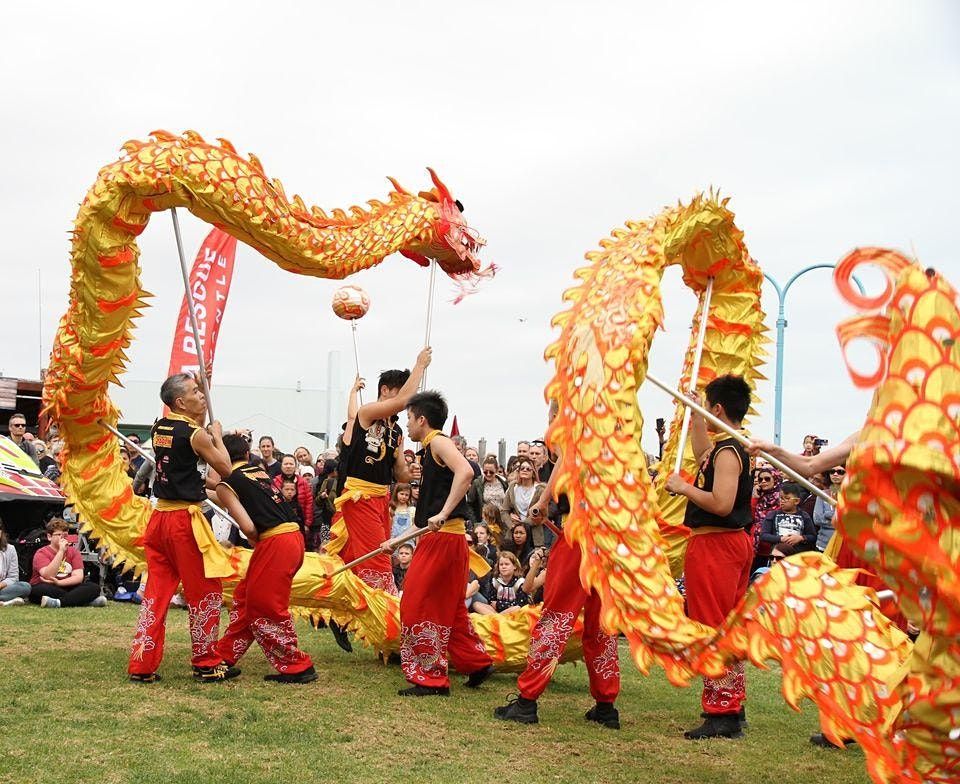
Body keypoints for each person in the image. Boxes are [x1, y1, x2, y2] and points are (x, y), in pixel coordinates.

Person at [495, 456, 621, 728]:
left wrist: (542, 501)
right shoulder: (614, 433)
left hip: (578, 535)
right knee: (601, 626)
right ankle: (606, 705)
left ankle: (527, 701)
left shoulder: (578, 426)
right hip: (608, 539)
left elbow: (567, 455)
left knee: (555, 621)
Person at [128, 373, 236, 684]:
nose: (201, 396)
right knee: (205, 591)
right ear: (179, 402)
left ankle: (142, 664)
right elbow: (225, 469)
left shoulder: (159, 426)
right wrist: (217, 435)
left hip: (158, 519)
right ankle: (206, 662)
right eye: (194, 392)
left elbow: (191, 419)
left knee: (156, 594)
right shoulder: (197, 434)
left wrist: (203, 387)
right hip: (183, 522)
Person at [664, 375, 754, 740]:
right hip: (725, 545)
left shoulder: (730, 452)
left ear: (719, 408)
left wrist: (684, 488)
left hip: (718, 546)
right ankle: (732, 702)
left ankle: (723, 712)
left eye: (708, 408)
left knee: (712, 626)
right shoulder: (725, 449)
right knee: (726, 625)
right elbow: (704, 456)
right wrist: (696, 416)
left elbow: (721, 503)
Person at [395, 390, 493, 696]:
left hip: (444, 539)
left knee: (415, 603)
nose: (407, 424)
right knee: (451, 607)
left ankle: (431, 677)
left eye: (409, 418)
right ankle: (476, 661)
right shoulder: (429, 449)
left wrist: (445, 512)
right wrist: (395, 540)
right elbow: (425, 517)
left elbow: (466, 472)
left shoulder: (438, 441)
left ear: (422, 419)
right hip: (444, 538)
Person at [213, 434, 317, 684]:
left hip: (275, 543)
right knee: (246, 598)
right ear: (247, 455)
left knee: (264, 604)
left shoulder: (227, 484)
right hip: (292, 538)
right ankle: (223, 657)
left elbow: (248, 528)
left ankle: (297, 665)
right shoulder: (257, 472)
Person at [331, 349, 430, 594]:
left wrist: (412, 472)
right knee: (378, 559)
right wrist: (419, 366)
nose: (407, 398)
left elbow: (400, 475)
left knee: (374, 552)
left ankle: (349, 608)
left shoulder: (397, 432)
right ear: (385, 390)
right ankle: (388, 612)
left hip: (382, 498)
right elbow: (404, 401)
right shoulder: (367, 414)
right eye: (401, 390)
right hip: (359, 497)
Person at [29, 518, 105, 608]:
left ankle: (59, 603)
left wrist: (60, 583)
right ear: (49, 537)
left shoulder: (74, 552)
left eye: (65, 535)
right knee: (38, 591)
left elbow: (78, 577)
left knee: (94, 587)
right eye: (59, 535)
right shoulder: (41, 553)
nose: (62, 538)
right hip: (47, 586)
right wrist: (61, 552)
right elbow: (48, 576)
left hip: (67, 585)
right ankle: (82, 600)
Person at [758, 482, 817, 557]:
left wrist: (801, 538)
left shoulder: (804, 516)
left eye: (787, 498)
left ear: (796, 501)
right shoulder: (773, 515)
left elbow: (813, 536)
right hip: (777, 555)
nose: (782, 501)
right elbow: (763, 535)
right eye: (781, 498)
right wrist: (780, 539)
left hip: (798, 556)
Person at [500, 457, 547, 546]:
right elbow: (504, 511)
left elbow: (543, 514)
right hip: (514, 532)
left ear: (533, 473)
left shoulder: (540, 489)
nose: (525, 470)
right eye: (522, 468)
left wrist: (524, 524)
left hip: (534, 534)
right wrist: (512, 525)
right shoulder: (513, 487)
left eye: (528, 469)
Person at [272, 455, 314, 538]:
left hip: (299, 521)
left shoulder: (303, 482)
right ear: (281, 466)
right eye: (285, 464)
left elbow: (309, 504)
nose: (288, 466)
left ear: (296, 466)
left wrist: (307, 524)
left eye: (291, 464)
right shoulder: (275, 482)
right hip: (279, 523)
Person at [466, 456, 507, 525]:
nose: (488, 474)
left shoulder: (504, 483)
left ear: (496, 470)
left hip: (502, 521)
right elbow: (469, 504)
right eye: (485, 472)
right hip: (485, 522)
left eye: (491, 472)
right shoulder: (477, 483)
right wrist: (475, 522)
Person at [0, 516, 31, 606]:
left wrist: (1, 585)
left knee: (25, 587)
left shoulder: (10, 549)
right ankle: (8, 600)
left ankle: (6, 600)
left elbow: (13, 577)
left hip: (2, 588)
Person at [813, 467, 845, 552]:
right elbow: (817, 520)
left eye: (840, 472)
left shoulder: (853, 495)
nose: (835, 474)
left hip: (844, 546)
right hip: (823, 545)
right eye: (832, 471)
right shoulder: (822, 494)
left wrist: (827, 515)